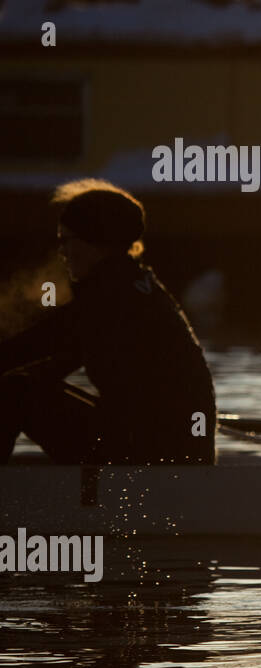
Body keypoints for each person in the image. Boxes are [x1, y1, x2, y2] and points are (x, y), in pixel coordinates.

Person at [0, 180, 216, 464]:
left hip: (158, 458)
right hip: (172, 447)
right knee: (21, 384)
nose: (62, 252)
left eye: (67, 240)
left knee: (10, 393)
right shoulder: (136, 285)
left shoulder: (109, 298)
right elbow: (55, 362)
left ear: (96, 242)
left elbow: (30, 347)